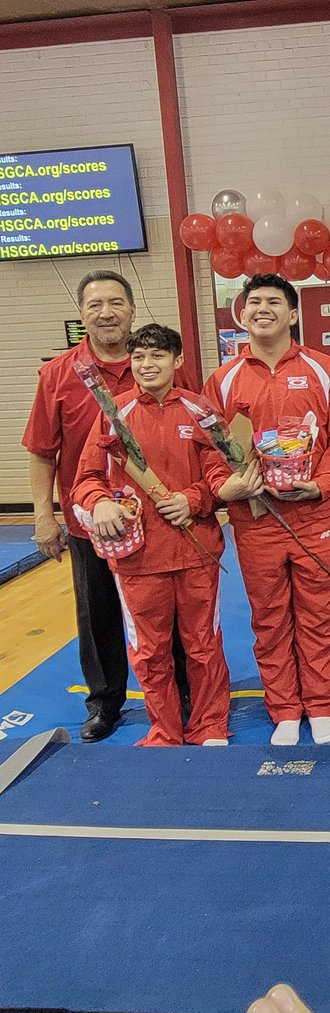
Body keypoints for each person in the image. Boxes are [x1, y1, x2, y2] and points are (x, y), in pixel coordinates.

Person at [21, 269, 189, 742]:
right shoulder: (59, 374)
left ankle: (182, 691)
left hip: (159, 521)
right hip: (91, 522)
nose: (106, 313)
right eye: (95, 305)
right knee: (97, 614)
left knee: (170, 613)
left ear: (132, 310)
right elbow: (41, 450)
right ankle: (105, 701)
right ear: (82, 314)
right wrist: (44, 516)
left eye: (116, 303)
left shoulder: (159, 362)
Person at [203, 274, 330, 745]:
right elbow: (208, 447)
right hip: (256, 521)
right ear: (242, 314)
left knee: (319, 614)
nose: (263, 309)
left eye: (274, 302)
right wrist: (226, 485)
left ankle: (320, 704)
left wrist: (321, 484)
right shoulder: (224, 379)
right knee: (270, 618)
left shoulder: (322, 369)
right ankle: (285, 709)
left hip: (315, 515)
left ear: (293, 314)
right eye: (254, 302)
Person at [72, 325, 244, 747]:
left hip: (195, 553)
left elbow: (222, 477)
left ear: (177, 360)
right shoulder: (114, 413)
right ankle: (164, 730)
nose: (147, 365)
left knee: (202, 645)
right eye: (139, 358)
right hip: (139, 559)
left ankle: (209, 724)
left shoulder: (200, 410)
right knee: (149, 651)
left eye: (157, 356)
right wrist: (100, 503)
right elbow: (86, 479)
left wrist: (193, 499)